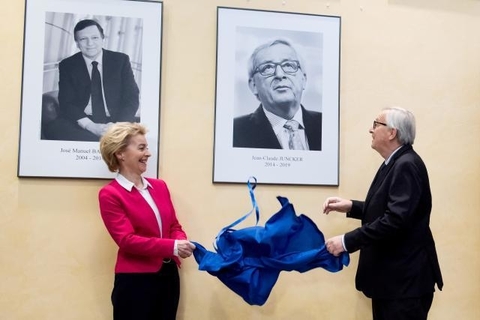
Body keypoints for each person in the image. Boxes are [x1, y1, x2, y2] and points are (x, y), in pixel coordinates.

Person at [322, 107, 443, 320]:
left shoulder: (406, 164)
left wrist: (346, 242)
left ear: (392, 133)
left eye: (376, 124)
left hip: (404, 286)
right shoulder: (394, 162)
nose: (371, 130)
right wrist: (351, 206)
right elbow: (390, 210)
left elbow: (395, 221)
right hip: (393, 283)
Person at [98, 122, 195, 320]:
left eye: (147, 148)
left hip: (168, 275)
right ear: (120, 154)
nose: (148, 153)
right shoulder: (110, 194)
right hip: (135, 280)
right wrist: (173, 246)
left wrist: (181, 242)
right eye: (141, 148)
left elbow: (174, 226)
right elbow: (126, 240)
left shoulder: (160, 187)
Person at [44, 19, 140, 141]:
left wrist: (118, 126)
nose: (90, 44)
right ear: (77, 43)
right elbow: (66, 102)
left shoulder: (120, 61)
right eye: (83, 39)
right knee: (55, 129)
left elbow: (131, 97)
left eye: (94, 38)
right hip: (82, 121)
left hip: (116, 120)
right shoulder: (67, 65)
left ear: (102, 38)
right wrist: (91, 126)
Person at [233, 38, 322, 150]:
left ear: (304, 79)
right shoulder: (234, 132)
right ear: (253, 85)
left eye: (289, 65)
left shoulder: (327, 126)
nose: (279, 74)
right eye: (267, 68)